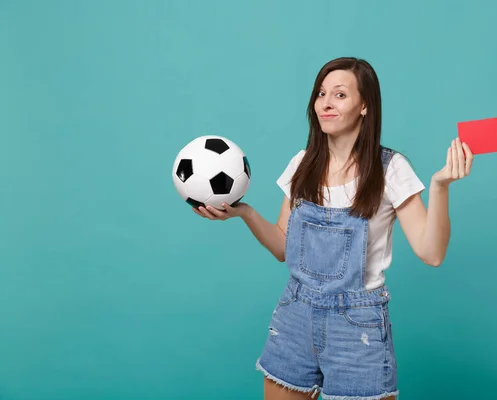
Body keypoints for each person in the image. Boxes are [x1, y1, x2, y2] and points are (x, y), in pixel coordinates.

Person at [193, 57, 473, 400]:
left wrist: (440, 186)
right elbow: (283, 247)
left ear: (365, 105)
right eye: (321, 93)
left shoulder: (390, 169)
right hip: (295, 316)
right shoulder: (302, 164)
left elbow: (431, 254)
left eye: (339, 95)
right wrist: (245, 213)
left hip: (358, 329)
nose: (325, 102)